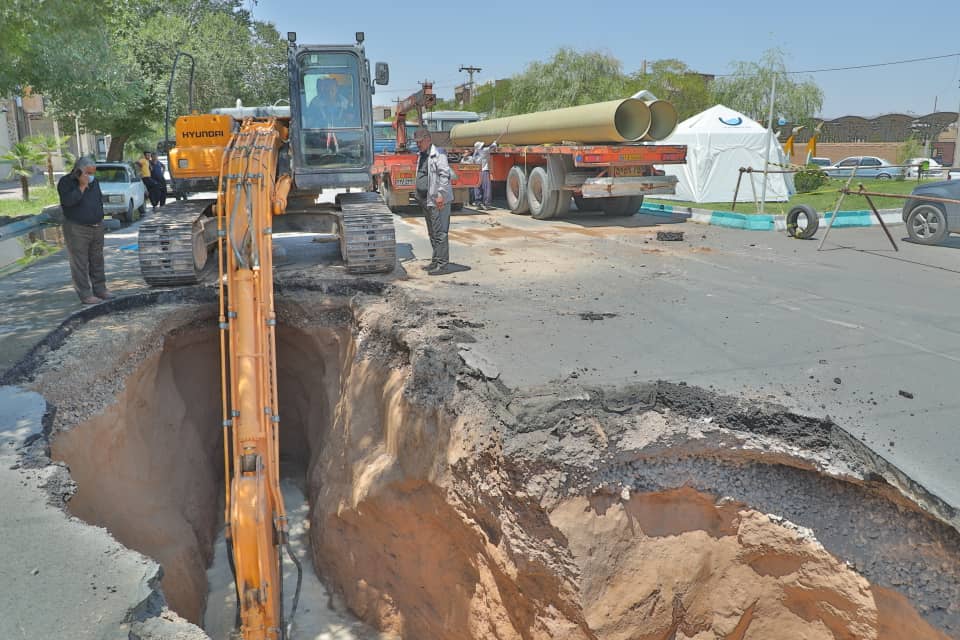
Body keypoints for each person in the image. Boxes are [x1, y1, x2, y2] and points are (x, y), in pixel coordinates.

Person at [57, 157, 113, 304]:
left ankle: (100, 289)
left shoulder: (95, 182)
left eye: (93, 173)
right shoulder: (66, 182)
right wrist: (82, 186)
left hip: (96, 226)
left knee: (97, 260)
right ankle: (85, 294)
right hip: (77, 228)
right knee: (80, 263)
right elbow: (68, 202)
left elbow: (98, 200)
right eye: (88, 173)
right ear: (79, 171)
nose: (91, 176)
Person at [414, 128, 454, 275]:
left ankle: (443, 266)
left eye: (420, 142)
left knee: (440, 232)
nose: (418, 145)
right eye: (416, 142)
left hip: (438, 200)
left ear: (428, 139)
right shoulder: (422, 155)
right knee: (432, 232)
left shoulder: (439, 154)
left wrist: (441, 195)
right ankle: (436, 260)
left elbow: (445, 175)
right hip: (426, 200)